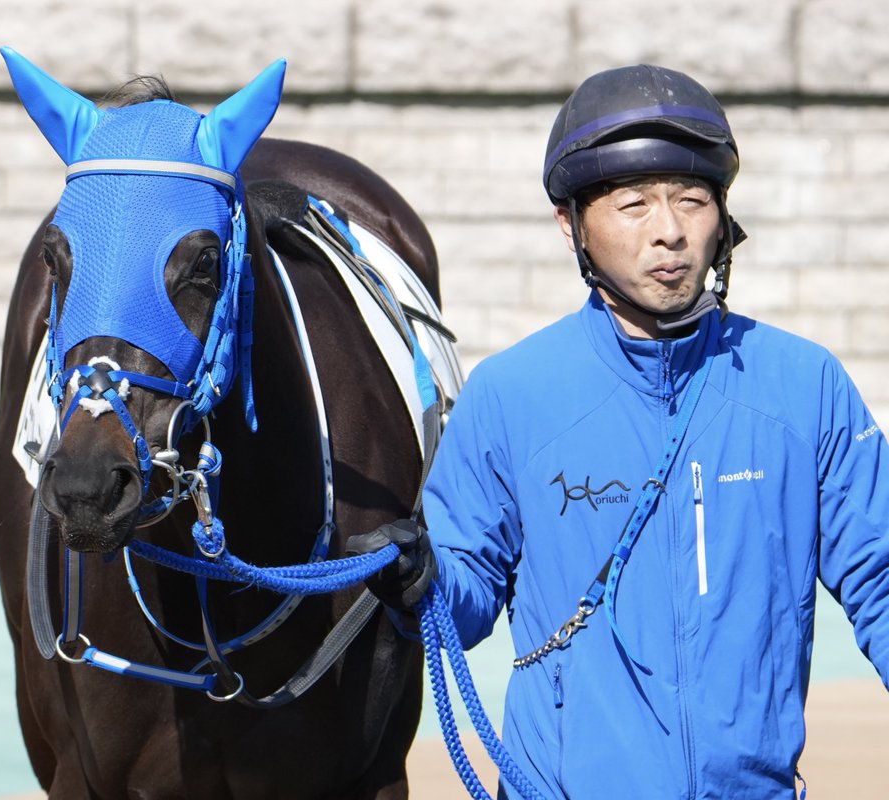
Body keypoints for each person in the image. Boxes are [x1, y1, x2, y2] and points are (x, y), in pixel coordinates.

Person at [348, 64, 889, 798]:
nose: (669, 231)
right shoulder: (511, 395)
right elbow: (465, 606)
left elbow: (881, 578)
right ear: (571, 225)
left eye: (692, 200)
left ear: (722, 216)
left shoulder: (804, 385)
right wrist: (423, 579)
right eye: (633, 203)